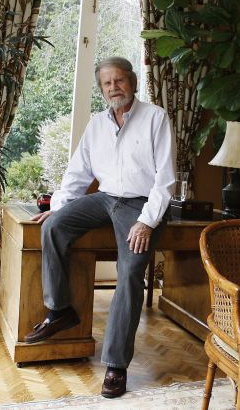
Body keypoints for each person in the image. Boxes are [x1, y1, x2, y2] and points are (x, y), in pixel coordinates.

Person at [25, 56, 175, 399]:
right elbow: (77, 174)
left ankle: (116, 364)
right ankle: (60, 309)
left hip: (141, 204)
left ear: (132, 82)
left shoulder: (155, 118)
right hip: (106, 198)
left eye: (119, 81)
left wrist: (146, 221)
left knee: (131, 271)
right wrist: (60, 209)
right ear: (102, 89)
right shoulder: (96, 125)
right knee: (54, 227)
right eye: (107, 83)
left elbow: (165, 181)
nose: (113, 88)